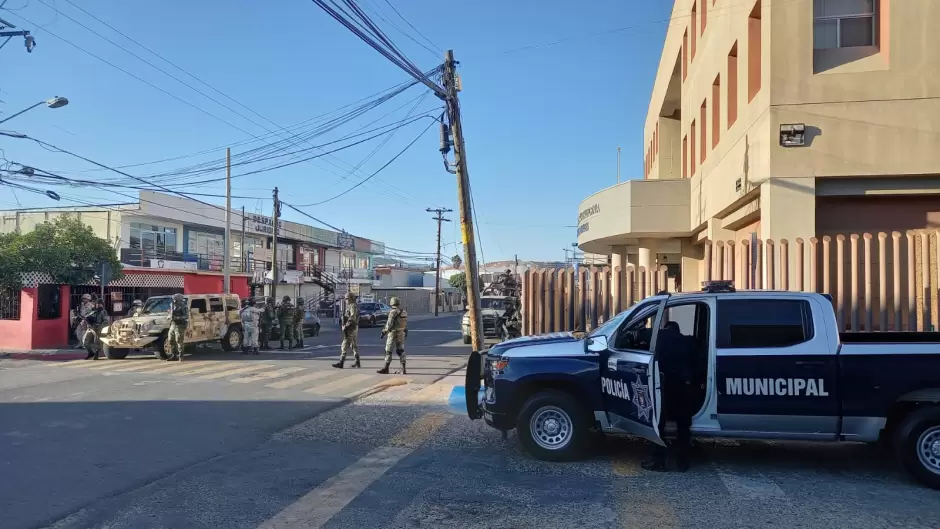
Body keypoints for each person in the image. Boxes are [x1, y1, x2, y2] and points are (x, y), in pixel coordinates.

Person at [642, 320, 696, 472]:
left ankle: (658, 461)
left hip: (665, 387)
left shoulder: (662, 339)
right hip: (684, 387)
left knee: (659, 425)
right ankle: (683, 463)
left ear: (666, 329)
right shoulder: (687, 342)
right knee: (683, 427)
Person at [378, 296, 408, 375]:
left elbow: (389, 324)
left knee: (388, 351)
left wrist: (384, 331)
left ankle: (386, 368)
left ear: (391, 303)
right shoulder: (404, 311)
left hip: (393, 333)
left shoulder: (393, 312)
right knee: (400, 350)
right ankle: (403, 369)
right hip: (401, 332)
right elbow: (404, 323)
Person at [332, 292, 360, 369]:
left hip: (351, 328)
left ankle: (341, 362)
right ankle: (357, 362)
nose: (346, 300)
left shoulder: (352, 306)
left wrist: (346, 325)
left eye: (347, 299)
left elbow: (352, 317)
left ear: (351, 299)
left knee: (344, 345)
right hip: (352, 327)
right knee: (353, 345)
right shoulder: (351, 306)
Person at [167, 293, 189, 362]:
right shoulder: (172, 305)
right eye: (173, 299)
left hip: (179, 325)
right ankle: (174, 355)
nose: (174, 300)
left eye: (175, 299)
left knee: (179, 340)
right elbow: (170, 313)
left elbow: (186, 316)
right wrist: (169, 316)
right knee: (170, 340)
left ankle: (181, 356)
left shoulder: (183, 306)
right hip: (173, 324)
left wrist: (177, 317)